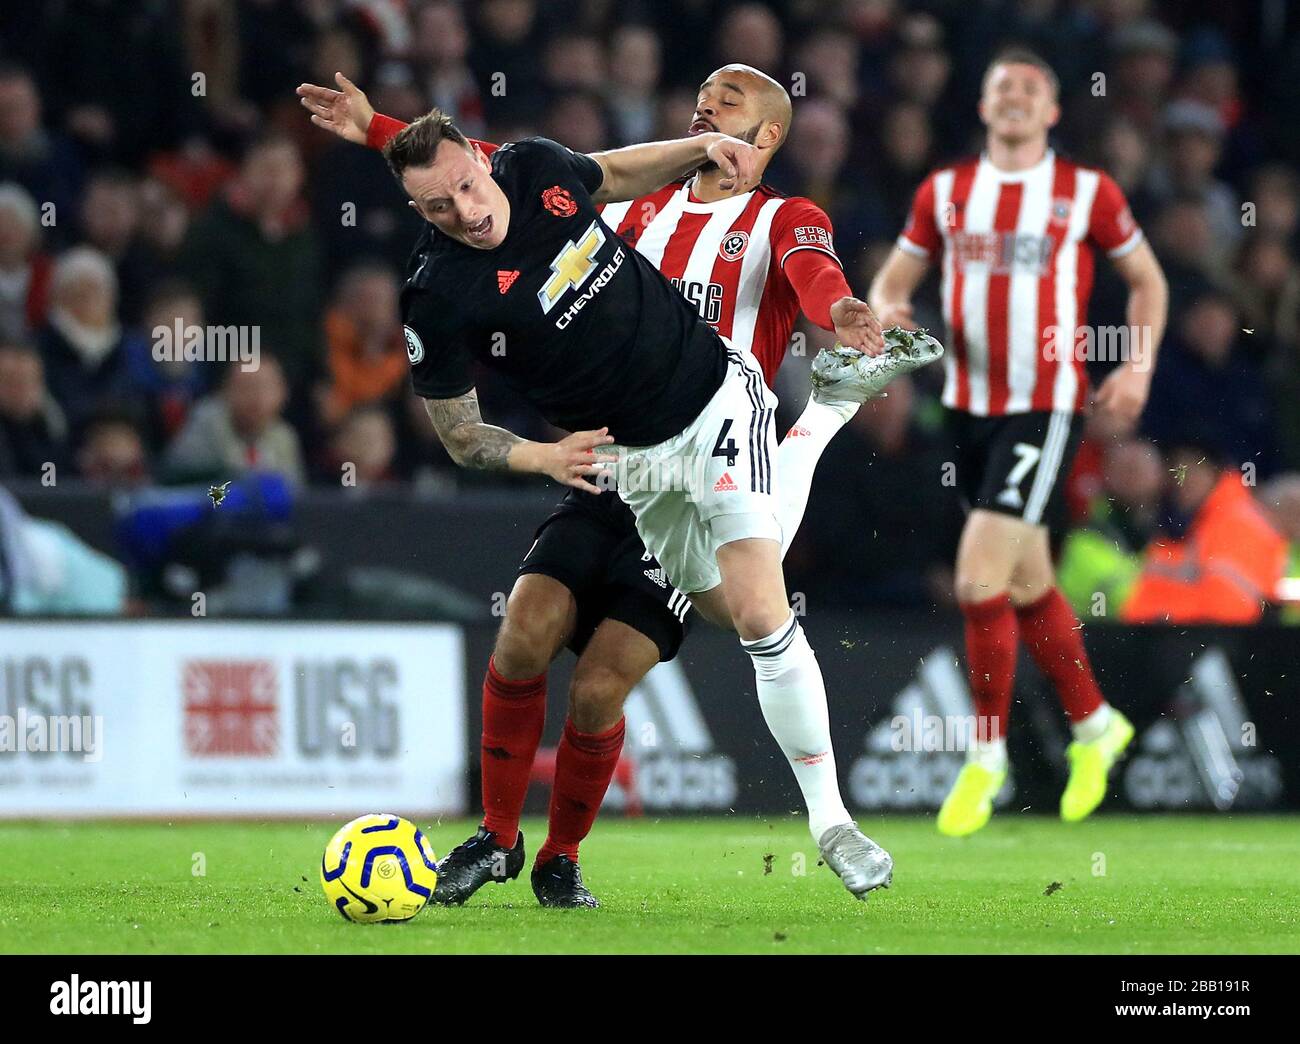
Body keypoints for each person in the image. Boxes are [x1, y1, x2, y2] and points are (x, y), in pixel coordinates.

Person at [298, 68, 940, 907]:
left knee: (749, 612)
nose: (707, 106)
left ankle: (832, 827)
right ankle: (826, 410)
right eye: (702, 98)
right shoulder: (573, 204)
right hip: (616, 459)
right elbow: (479, 169)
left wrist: (841, 308)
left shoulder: (785, 215)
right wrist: (378, 124)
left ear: (768, 137)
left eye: (730, 102)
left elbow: (811, 268)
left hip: (717, 405)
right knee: (569, 624)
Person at [869, 47, 1169, 836]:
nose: (1015, 98)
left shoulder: (1084, 192)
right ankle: (1098, 725)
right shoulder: (946, 191)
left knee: (977, 578)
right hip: (969, 409)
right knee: (1027, 582)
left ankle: (986, 757)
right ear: (984, 104)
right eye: (1003, 86)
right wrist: (891, 313)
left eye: (1031, 88)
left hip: (1047, 404)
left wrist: (1134, 369)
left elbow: (1149, 281)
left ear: (1053, 111)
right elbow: (893, 284)